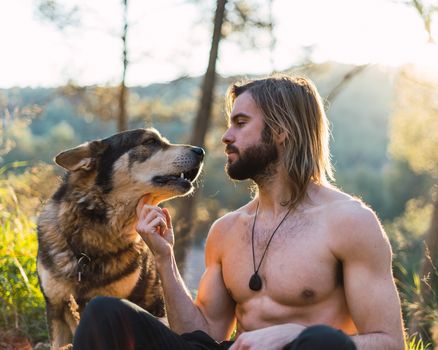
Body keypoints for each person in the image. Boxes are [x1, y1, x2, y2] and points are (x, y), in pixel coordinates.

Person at [73, 74, 406, 350]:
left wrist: (294, 335)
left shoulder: (349, 222)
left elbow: (390, 342)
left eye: (241, 123)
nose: (226, 137)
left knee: (320, 342)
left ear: (280, 131)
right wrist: (164, 258)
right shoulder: (227, 230)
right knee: (105, 313)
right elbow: (203, 334)